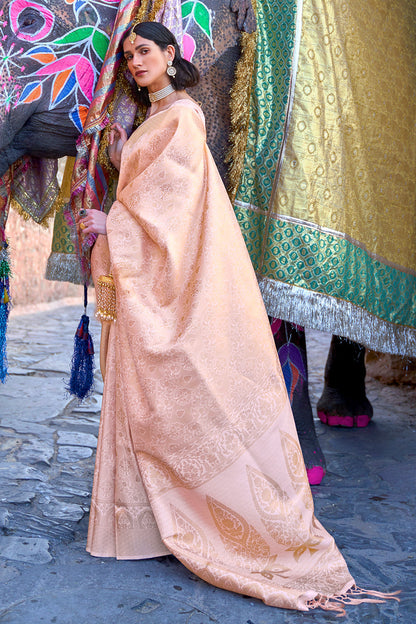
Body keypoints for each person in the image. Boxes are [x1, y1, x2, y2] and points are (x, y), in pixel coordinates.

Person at [76, 21, 397, 615]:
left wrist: (111, 225)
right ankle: (142, 523)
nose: (136, 61)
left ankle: (209, 518)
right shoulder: (154, 121)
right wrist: (121, 153)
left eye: (145, 51)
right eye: (129, 56)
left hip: (164, 277)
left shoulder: (184, 117)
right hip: (145, 271)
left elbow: (171, 209)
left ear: (172, 55)